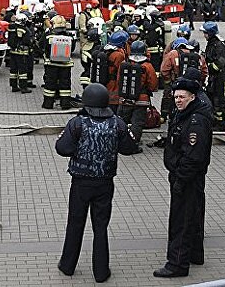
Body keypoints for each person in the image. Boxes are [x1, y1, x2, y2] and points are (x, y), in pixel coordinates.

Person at [56, 83, 139, 283]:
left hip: (81, 182)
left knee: (75, 223)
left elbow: (62, 148)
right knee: (100, 227)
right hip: (105, 183)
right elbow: (129, 148)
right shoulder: (117, 123)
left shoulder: (77, 123)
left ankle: (67, 266)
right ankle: (101, 272)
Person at [153, 78, 213, 278]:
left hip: (186, 178)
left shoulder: (195, 121)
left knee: (181, 221)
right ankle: (195, 254)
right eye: (176, 96)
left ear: (192, 97)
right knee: (193, 217)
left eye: (182, 97)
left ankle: (177, 264)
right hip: (185, 176)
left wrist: (180, 180)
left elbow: (193, 156)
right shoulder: (184, 114)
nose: (177, 100)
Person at [117, 41, 158, 145]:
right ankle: (133, 143)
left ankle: (118, 140)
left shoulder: (125, 64)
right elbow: (153, 83)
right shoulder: (147, 66)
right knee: (137, 123)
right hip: (141, 100)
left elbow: (119, 81)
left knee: (122, 121)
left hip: (125, 99)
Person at [200, 21, 225, 131]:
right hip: (213, 77)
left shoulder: (219, 45)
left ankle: (221, 124)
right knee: (212, 98)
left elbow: (219, 64)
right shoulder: (212, 44)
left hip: (220, 78)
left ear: (211, 33)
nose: (204, 35)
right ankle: (214, 122)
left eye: (205, 33)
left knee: (219, 101)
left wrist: (207, 67)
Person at [42, 15, 74, 109]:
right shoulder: (69, 36)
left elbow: (42, 46)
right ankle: (65, 104)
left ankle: (48, 104)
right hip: (66, 65)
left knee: (50, 85)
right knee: (65, 85)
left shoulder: (49, 36)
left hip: (52, 65)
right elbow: (71, 49)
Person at [7, 13, 32, 93]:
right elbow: (27, 41)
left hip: (12, 52)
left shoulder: (12, 27)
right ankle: (23, 88)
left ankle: (14, 86)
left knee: (13, 70)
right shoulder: (24, 29)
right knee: (23, 71)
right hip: (21, 53)